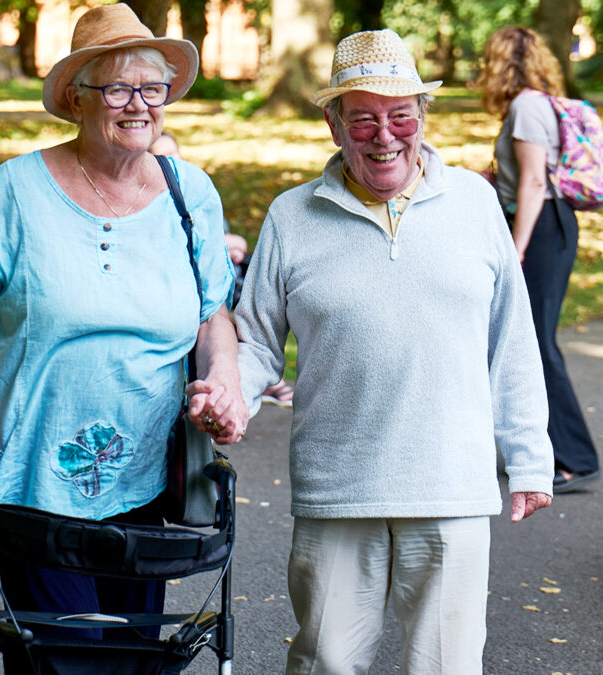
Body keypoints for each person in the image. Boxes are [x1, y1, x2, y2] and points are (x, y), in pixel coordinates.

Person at [209, 28, 555, 674]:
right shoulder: (291, 216)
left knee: (446, 666)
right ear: (334, 125)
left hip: (450, 482)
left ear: (424, 117)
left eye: (400, 116)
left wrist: (530, 456)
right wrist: (230, 397)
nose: (385, 135)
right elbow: (254, 339)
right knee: (324, 662)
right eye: (363, 119)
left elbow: (512, 338)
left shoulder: (476, 204)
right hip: (339, 486)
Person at [0, 3, 247, 669]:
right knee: (71, 659)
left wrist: (225, 377)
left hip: (148, 487)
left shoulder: (192, 194)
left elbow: (211, 312)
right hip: (31, 481)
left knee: (133, 657)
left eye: (152, 87)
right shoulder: (16, 191)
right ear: (78, 98)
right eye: (118, 88)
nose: (140, 104)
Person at [477, 25, 600, 494]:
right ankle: (546, 451)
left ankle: (575, 458)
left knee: (537, 345)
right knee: (528, 342)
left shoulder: (527, 106)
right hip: (543, 223)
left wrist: (517, 247)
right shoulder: (531, 105)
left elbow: (532, 183)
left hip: (541, 227)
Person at [152, 130, 295, 407]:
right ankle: (259, 381)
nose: (169, 162)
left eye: (173, 155)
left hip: (224, 286)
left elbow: (231, 244)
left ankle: (253, 379)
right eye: (159, 157)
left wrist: (228, 246)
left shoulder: (194, 196)